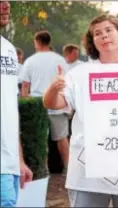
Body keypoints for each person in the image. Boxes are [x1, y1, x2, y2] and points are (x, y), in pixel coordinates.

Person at [43, 14, 118, 207]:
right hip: (87, 170)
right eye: (97, 33)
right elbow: (53, 103)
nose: (104, 36)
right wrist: (53, 89)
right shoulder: (79, 74)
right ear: (92, 41)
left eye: (109, 30)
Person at [21, 30, 70, 168]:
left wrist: (25, 104)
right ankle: (68, 169)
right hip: (57, 105)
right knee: (62, 139)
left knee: (39, 141)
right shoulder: (60, 59)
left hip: (38, 105)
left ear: (36, 42)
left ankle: (42, 170)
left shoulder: (30, 61)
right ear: (49, 42)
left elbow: (25, 85)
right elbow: (66, 81)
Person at [1, 1, 33, 207]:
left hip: (8, 164)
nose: (6, 5)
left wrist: (18, 160)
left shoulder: (8, 49)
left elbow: (9, 109)